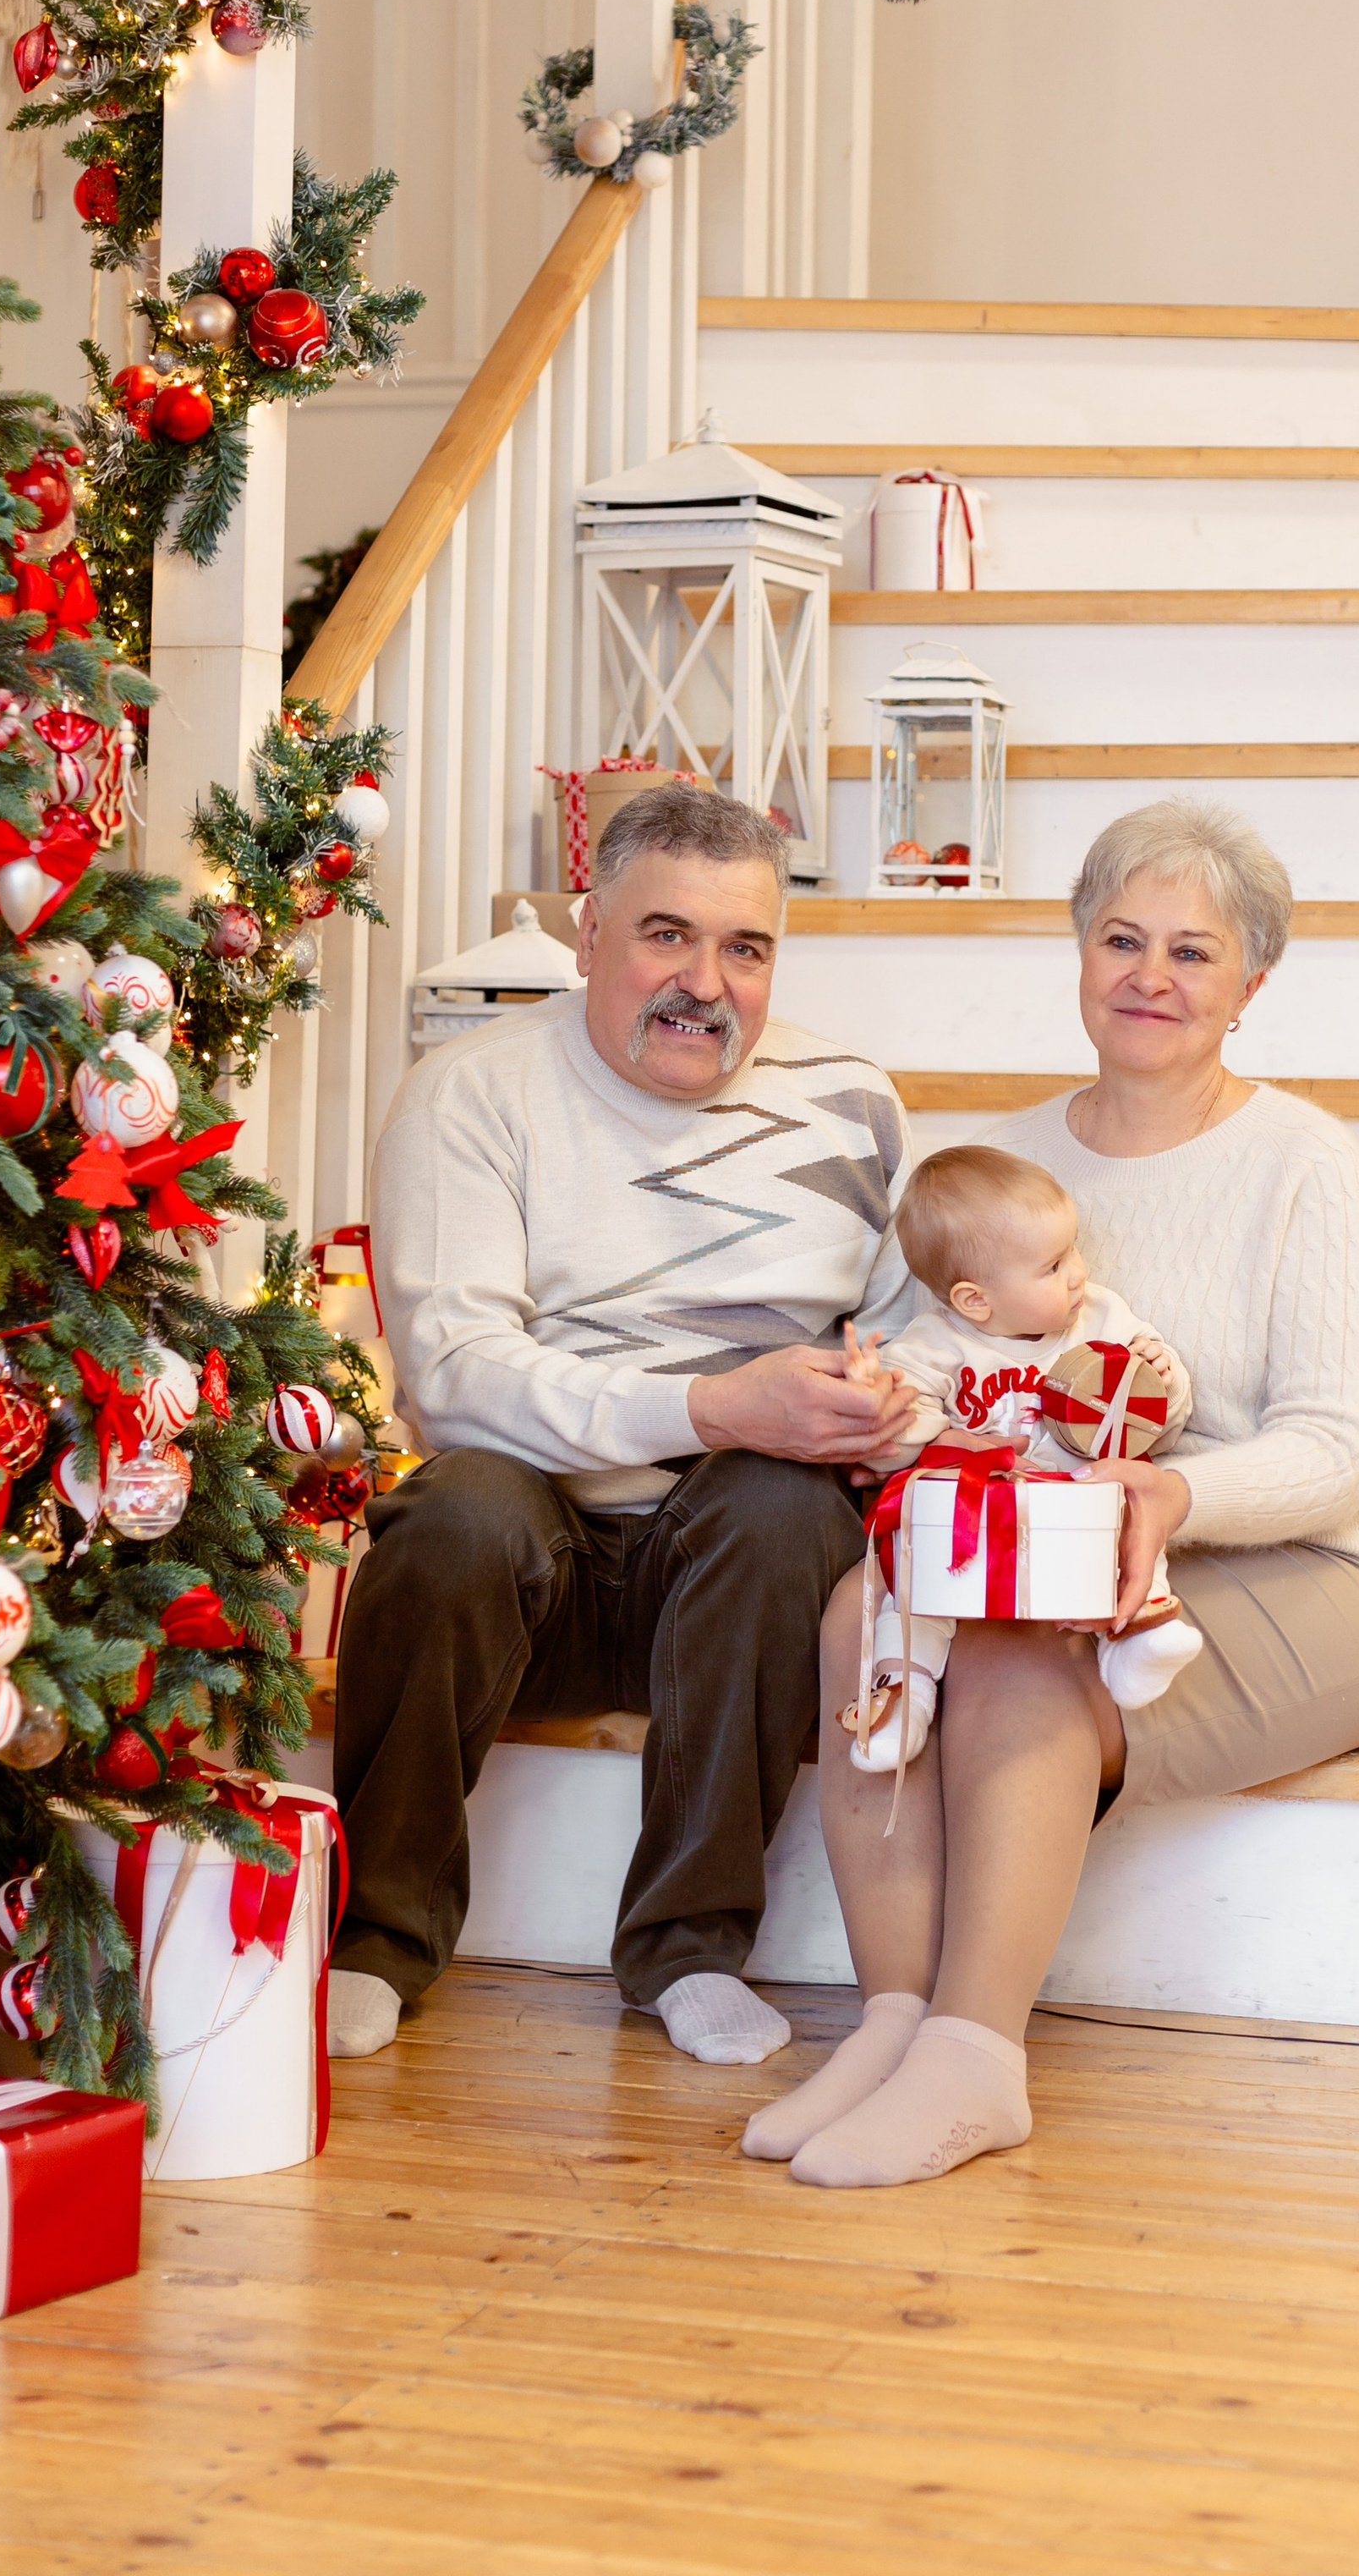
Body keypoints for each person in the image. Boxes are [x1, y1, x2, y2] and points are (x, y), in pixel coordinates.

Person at [743, 796, 1359, 2185]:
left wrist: (1165, 1502)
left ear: (1254, 983)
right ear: (1078, 950)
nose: (1151, 977)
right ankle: (891, 2020)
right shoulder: (1001, 1162)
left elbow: (1338, 1445)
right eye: (1123, 939)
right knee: (860, 1616)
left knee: (1015, 1660)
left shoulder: (1306, 1163)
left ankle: (975, 2055)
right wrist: (879, 1408)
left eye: (1193, 951)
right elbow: (916, 1355)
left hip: (1308, 1569)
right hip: (1063, 1539)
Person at [327, 783, 917, 2068]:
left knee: (783, 1503)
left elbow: (911, 1336)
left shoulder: (854, 1104)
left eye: (745, 948)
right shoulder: (472, 1089)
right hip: (527, 1569)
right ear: (587, 933)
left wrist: (882, 1401)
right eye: (666, 934)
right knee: (455, 1509)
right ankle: (375, 1935)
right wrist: (714, 1402)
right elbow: (456, 1372)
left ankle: (689, 1949)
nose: (704, 982)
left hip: (736, 1586)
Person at [839, 1145, 1203, 1774]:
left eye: (1074, 1250)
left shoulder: (1103, 1320)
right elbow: (894, 1442)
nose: (1078, 1273)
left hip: (1072, 1498)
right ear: (975, 1300)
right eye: (1053, 1264)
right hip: (972, 1515)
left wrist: (1163, 1381)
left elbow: (1155, 1425)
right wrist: (882, 1405)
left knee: (1126, 1519)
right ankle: (903, 1691)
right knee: (913, 1574)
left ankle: (1132, 1635)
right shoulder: (934, 1344)